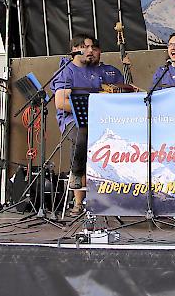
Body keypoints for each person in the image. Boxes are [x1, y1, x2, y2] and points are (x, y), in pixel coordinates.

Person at [51, 34, 125, 216]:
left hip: (104, 122)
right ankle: (77, 191)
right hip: (75, 121)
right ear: (76, 49)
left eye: (94, 47)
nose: (91, 51)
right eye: (86, 47)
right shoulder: (67, 71)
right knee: (82, 134)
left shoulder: (105, 71)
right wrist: (91, 109)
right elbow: (60, 103)